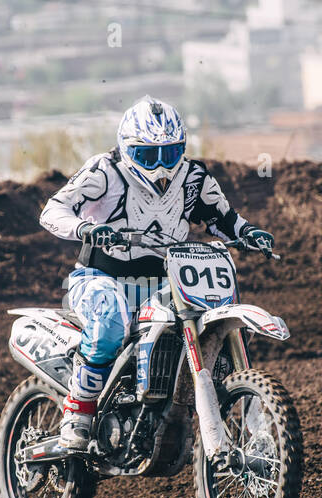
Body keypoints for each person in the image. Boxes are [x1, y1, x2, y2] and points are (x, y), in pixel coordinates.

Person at [39, 95, 275, 451]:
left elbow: (222, 218)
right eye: (148, 156)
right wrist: (84, 229)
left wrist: (247, 232)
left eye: (169, 153)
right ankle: (79, 411)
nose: (162, 166)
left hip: (169, 281)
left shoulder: (193, 176)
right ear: (127, 148)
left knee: (208, 322)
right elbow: (53, 209)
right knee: (109, 325)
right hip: (100, 277)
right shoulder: (105, 171)